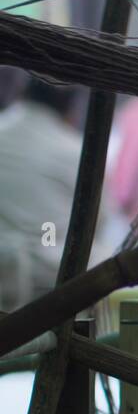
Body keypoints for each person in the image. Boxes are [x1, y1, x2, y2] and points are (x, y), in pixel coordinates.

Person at [0, 68, 89, 310]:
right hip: (49, 287)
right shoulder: (74, 150)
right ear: (71, 109)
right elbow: (97, 222)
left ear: (22, 93)